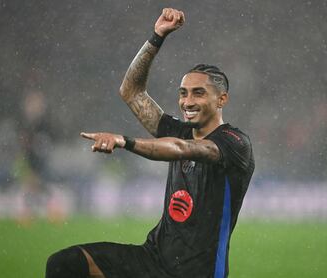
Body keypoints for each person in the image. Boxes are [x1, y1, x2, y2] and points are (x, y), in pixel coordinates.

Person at [46, 7, 254, 278]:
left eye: (198, 93)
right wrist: (156, 37)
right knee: (65, 263)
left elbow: (182, 149)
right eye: (183, 94)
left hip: (197, 272)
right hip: (151, 260)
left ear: (221, 99)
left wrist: (124, 141)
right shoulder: (181, 130)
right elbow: (131, 92)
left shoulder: (234, 143)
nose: (187, 102)